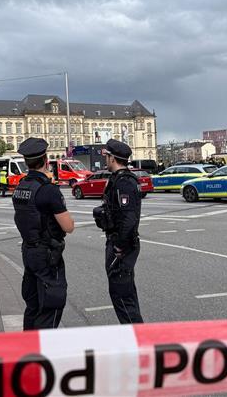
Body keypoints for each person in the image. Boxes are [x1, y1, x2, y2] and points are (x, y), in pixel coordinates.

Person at [12, 138, 75, 330]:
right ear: (46, 159)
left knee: (33, 304)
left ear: (26, 161)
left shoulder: (21, 187)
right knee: (51, 304)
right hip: (47, 254)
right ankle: (43, 350)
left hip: (28, 250)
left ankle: (29, 346)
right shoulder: (48, 190)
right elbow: (68, 226)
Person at [94, 139, 144, 324]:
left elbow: (129, 219)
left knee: (123, 297)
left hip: (122, 246)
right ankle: (134, 336)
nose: (105, 159)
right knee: (124, 295)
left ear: (113, 158)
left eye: (106, 156)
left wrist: (119, 247)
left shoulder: (124, 183)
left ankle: (137, 339)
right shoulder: (118, 179)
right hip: (117, 242)